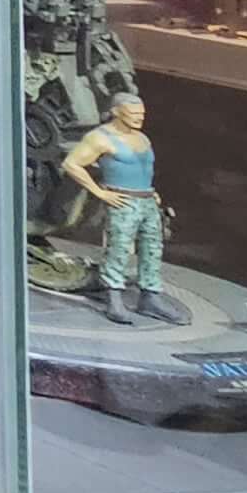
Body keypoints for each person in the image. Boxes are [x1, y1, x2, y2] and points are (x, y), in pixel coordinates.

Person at [59, 91, 184, 325]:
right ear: (116, 112)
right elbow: (72, 163)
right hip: (122, 201)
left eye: (141, 113)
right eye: (133, 113)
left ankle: (150, 296)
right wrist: (99, 192)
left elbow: (143, 169)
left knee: (152, 248)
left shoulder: (142, 138)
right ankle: (113, 297)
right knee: (118, 248)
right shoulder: (100, 138)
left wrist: (151, 192)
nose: (139, 117)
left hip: (147, 200)